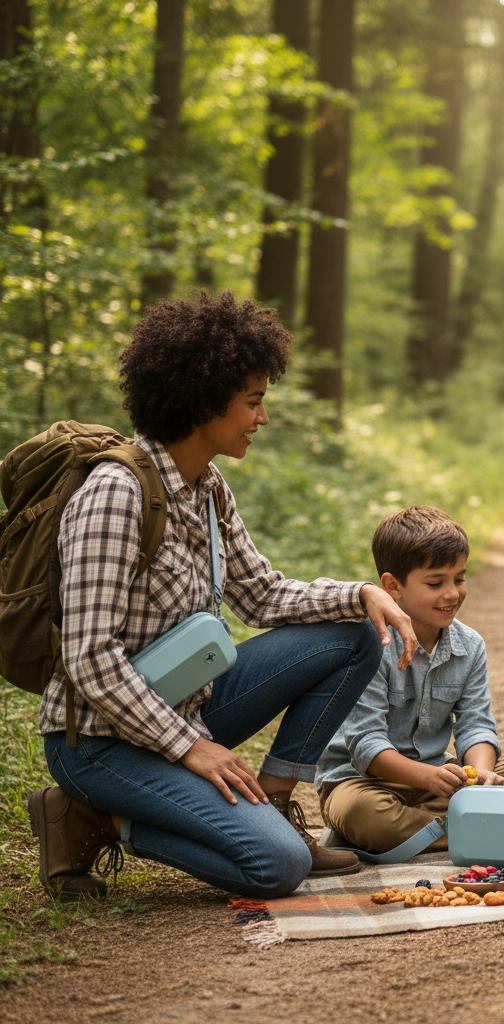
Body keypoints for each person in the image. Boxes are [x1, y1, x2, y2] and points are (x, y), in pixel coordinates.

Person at [29, 291, 418, 900]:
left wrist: (362, 592)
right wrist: (192, 748)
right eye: (253, 402)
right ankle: (96, 817)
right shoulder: (115, 494)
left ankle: (276, 800)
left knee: (354, 636)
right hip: (100, 741)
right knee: (278, 867)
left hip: (187, 708)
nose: (262, 418)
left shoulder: (208, 489)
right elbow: (90, 659)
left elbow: (261, 595)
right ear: (203, 400)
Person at [315, 506, 504, 853]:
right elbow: (366, 745)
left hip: (437, 777)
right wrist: (428, 778)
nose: (452, 593)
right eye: (435, 583)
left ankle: (433, 829)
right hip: (363, 781)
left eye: (459, 579)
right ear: (393, 586)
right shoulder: (370, 645)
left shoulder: (470, 645)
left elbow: (475, 724)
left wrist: (481, 778)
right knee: (363, 813)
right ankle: (474, 826)